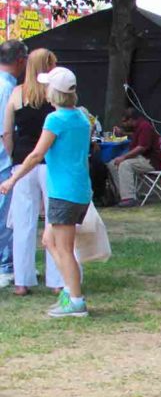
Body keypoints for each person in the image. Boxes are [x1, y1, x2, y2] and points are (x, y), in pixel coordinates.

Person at [0, 67, 91, 317]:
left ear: (55, 92)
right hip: (76, 189)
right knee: (50, 241)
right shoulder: (81, 116)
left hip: (64, 191)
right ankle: (70, 292)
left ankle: (75, 300)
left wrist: (12, 179)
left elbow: (37, 154)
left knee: (63, 247)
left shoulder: (55, 119)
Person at [3, 48, 64, 295]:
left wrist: (12, 156)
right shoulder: (56, 94)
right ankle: (57, 280)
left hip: (22, 162)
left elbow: (7, 132)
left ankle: (22, 281)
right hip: (52, 162)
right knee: (55, 221)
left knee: (23, 223)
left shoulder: (17, 94)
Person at [0, 40, 27, 288]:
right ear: (20, 60)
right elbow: (6, 130)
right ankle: (6, 266)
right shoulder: (9, 89)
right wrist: (13, 157)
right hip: (4, 161)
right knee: (7, 215)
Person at [108, 108, 161, 207]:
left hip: (149, 161)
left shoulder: (145, 127)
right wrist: (123, 134)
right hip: (140, 158)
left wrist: (124, 157)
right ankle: (121, 194)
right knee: (112, 164)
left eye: (124, 121)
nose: (123, 124)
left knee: (124, 165)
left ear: (131, 120)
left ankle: (129, 198)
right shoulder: (138, 127)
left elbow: (142, 147)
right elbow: (135, 136)